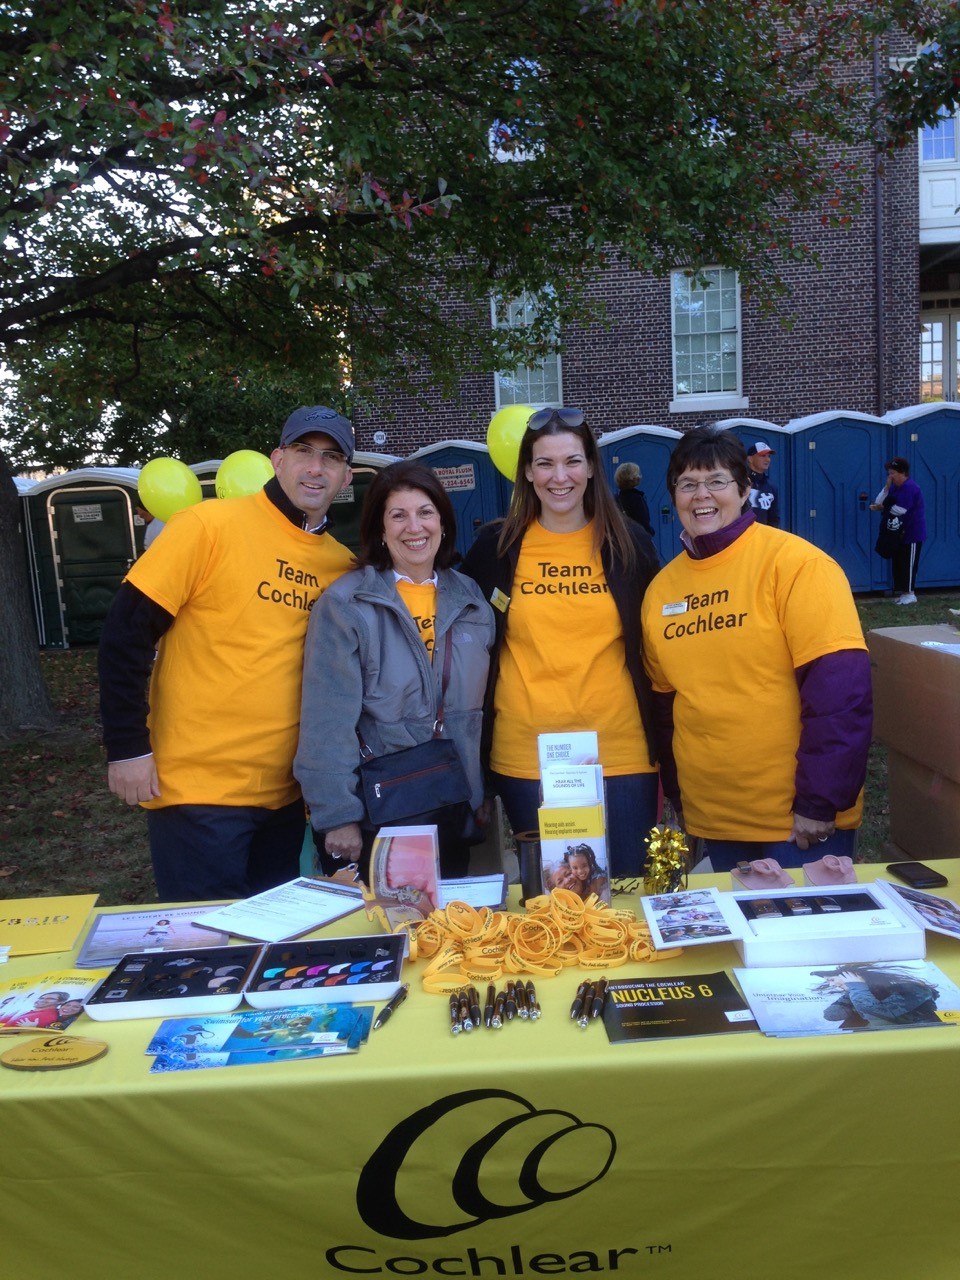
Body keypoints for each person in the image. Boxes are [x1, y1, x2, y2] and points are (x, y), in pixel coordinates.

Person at [98, 406, 356, 902]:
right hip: (198, 794)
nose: (315, 468)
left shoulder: (341, 566)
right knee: (208, 955)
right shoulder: (208, 525)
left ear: (345, 476)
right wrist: (127, 748)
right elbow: (124, 636)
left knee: (272, 955)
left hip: (284, 797)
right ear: (278, 459)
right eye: (304, 451)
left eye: (331, 457)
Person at [641, 426, 872, 873]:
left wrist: (820, 802)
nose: (701, 495)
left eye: (717, 481)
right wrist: (680, 796)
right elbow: (667, 708)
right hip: (715, 822)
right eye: (687, 484)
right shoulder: (660, 592)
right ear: (673, 496)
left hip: (796, 826)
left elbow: (841, 695)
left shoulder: (797, 565)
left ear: (745, 489)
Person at [461, 407, 661, 878]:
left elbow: (657, 640)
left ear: (591, 466)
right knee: (559, 899)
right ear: (527, 472)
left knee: (628, 891)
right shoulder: (497, 547)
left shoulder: (629, 543)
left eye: (572, 461)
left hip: (621, 752)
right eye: (545, 463)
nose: (560, 477)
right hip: (527, 755)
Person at [294, 460, 495, 881]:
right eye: (397, 515)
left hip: (453, 804)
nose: (414, 527)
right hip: (380, 813)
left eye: (425, 512)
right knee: (388, 933)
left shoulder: (471, 599)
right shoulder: (348, 604)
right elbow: (326, 720)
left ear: (442, 520)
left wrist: (480, 792)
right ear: (380, 530)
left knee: (451, 934)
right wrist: (337, 815)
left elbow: (481, 711)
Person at [881, 456, 925, 605]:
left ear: (902, 473)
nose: (890, 476)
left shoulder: (910, 487)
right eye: (889, 473)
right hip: (898, 532)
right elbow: (880, 501)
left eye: (892, 473)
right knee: (899, 563)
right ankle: (904, 593)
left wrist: (884, 507)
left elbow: (899, 510)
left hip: (912, 533)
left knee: (909, 563)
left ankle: (911, 594)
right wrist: (886, 488)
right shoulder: (894, 487)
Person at [613, 461, 654, 536]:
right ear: (634, 478)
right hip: (636, 541)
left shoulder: (614, 499)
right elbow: (643, 525)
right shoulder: (637, 499)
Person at [745, 441, 780, 527]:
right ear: (750, 459)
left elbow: (773, 518)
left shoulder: (771, 487)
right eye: (763, 456)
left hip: (763, 537)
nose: (767, 459)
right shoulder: (739, 482)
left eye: (769, 456)